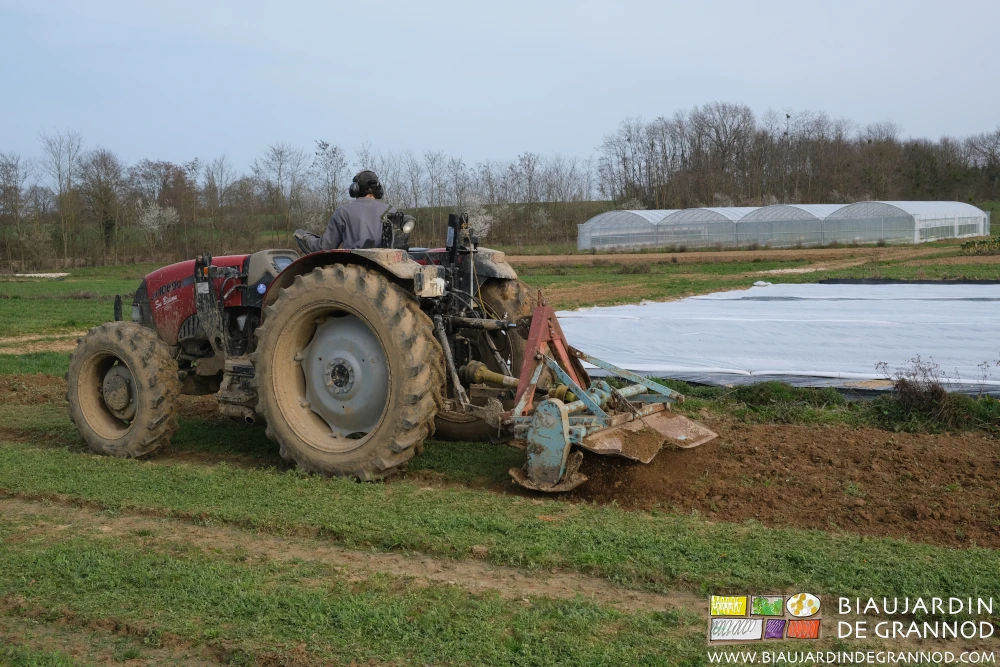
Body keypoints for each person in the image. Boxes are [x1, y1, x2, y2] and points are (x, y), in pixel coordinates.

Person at [294, 170, 393, 253]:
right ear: (378, 189)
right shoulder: (391, 210)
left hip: (356, 265)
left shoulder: (343, 212)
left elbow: (325, 247)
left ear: (355, 188)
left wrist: (306, 238)